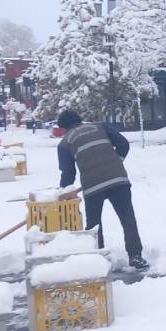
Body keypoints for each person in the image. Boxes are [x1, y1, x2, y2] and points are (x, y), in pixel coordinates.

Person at [56, 110, 148, 270]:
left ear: (63, 128)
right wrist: (117, 161)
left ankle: (98, 259)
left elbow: (68, 173)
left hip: (92, 186)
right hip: (118, 180)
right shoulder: (100, 126)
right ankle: (136, 256)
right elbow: (123, 144)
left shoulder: (65, 143)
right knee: (127, 219)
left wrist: (63, 191)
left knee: (94, 225)